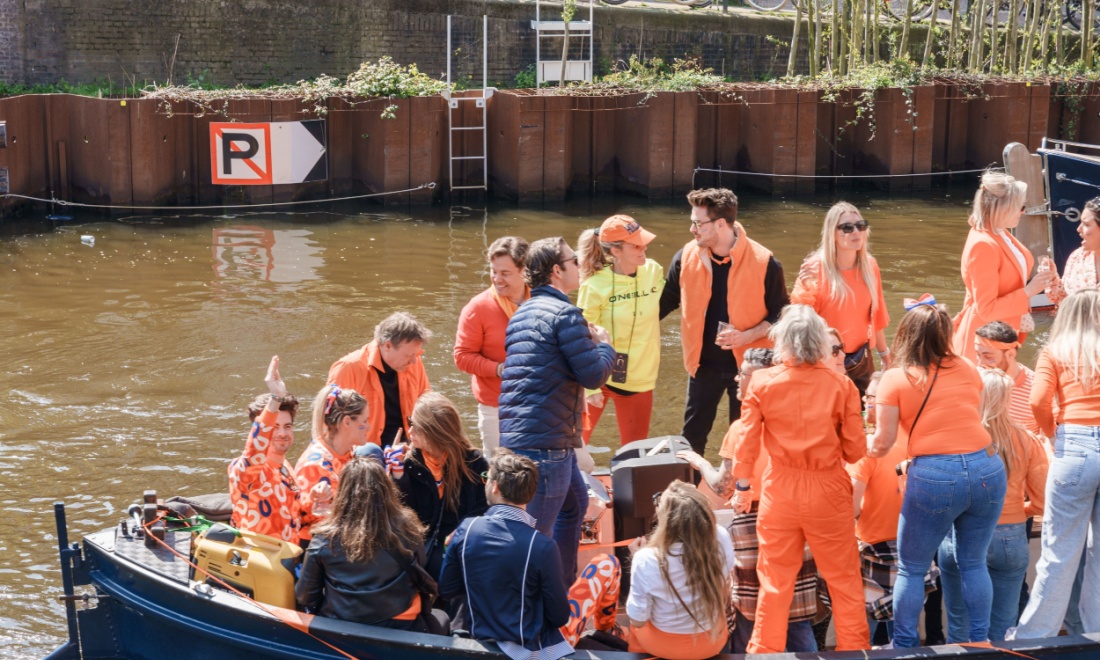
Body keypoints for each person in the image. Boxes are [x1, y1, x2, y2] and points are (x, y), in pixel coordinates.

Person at [868, 300, 1007, 648]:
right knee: (973, 563)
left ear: (905, 334)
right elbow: (972, 417)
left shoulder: (895, 378)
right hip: (987, 467)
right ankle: (980, 643)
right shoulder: (968, 368)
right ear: (946, 334)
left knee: (912, 569)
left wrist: (856, 450)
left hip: (935, 475)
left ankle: (903, 647)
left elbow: (883, 443)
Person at [732, 304, 868, 653]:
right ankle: (854, 653)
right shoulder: (842, 385)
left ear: (782, 340)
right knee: (844, 582)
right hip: (828, 489)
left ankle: (764, 655)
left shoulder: (762, 382)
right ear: (821, 341)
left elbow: (746, 443)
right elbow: (856, 451)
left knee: (775, 582)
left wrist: (743, 486)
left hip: (780, 490)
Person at [678, 348, 819, 654]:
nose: (736, 378)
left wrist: (699, 462)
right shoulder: (803, 422)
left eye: (742, 374)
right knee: (796, 613)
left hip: (754, 526)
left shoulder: (742, 429)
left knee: (748, 613)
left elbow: (723, 487)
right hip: (797, 520)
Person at [499, 236, 615, 588]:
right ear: (556, 271)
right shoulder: (566, 314)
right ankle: (538, 605)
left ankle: (562, 587)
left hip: (525, 439)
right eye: (573, 261)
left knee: (574, 506)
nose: (579, 265)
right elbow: (593, 375)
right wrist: (605, 345)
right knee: (536, 537)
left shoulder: (521, 314)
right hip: (547, 446)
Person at [439, 450, 621, 660]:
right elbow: (559, 617)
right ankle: (608, 630)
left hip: (481, 640)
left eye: (486, 478)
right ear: (530, 493)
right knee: (607, 563)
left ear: (495, 486)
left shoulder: (466, 529)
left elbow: (447, 589)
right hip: (532, 651)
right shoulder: (542, 546)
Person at [659, 188, 789, 455]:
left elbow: (780, 314)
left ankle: (739, 483)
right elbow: (664, 303)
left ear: (720, 224)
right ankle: (691, 482)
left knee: (746, 441)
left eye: (698, 223)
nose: (692, 229)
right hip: (701, 366)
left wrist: (747, 336)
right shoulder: (685, 257)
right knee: (691, 439)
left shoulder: (765, 262)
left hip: (750, 368)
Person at [1010, 290, 1100, 639]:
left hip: (1075, 447)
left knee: (1058, 551)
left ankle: (1034, 638)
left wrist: (1052, 434)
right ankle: (1096, 635)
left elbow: (1038, 401)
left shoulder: (1055, 351)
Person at [938, 368, 1048, 642]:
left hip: (961, 534)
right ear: (1008, 398)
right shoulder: (1027, 440)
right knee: (1002, 626)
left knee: (959, 626)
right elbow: (1042, 502)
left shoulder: (954, 437)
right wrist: (1018, 512)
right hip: (1009, 537)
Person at [295, 457, 447, 634]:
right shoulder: (408, 527)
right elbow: (420, 565)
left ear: (343, 492)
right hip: (400, 623)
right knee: (442, 617)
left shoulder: (324, 537)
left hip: (341, 625)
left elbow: (305, 596)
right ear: (386, 489)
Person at [848, 368, 940, 646]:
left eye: (871, 397)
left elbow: (851, 507)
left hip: (874, 551)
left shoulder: (868, 449)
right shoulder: (921, 441)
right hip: (914, 547)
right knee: (905, 632)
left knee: (860, 632)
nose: (865, 402)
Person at [576, 215, 664, 446]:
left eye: (643, 243)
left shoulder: (654, 272)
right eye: (636, 246)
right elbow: (582, 338)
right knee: (574, 446)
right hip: (599, 376)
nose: (644, 249)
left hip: (639, 378)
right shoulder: (594, 285)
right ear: (616, 251)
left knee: (634, 454)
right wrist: (589, 389)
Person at [625, 480, 734, 659]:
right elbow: (725, 587)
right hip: (712, 641)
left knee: (635, 619)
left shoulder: (645, 558)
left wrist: (637, 558)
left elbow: (638, 620)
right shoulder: (721, 536)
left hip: (663, 646)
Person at [951, 171, 1053, 362]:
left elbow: (1013, 274)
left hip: (1001, 335)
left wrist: (1040, 276)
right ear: (1003, 208)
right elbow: (986, 309)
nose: (1023, 212)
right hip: (984, 344)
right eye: (1020, 207)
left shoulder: (998, 232)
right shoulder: (983, 244)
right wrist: (1029, 291)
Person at [791, 202, 891, 395]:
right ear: (832, 234)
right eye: (847, 228)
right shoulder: (814, 268)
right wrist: (806, 287)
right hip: (826, 361)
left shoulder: (870, 266)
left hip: (861, 361)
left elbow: (876, 315)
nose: (856, 232)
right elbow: (799, 325)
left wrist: (884, 353)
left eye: (861, 226)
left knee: (865, 412)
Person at [393, 392, 489, 580]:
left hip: (461, 540)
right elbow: (404, 512)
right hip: (423, 542)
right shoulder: (410, 464)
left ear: (434, 432)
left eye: (415, 426)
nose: (409, 431)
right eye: (410, 422)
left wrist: (463, 530)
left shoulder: (474, 463)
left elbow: (484, 508)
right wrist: (398, 475)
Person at [454, 236, 530, 458]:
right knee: (499, 466)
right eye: (493, 271)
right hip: (496, 406)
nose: (497, 279)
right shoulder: (477, 308)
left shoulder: (542, 299)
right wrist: (499, 369)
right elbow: (462, 357)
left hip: (538, 401)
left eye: (505, 273)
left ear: (524, 271)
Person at [327, 312, 432, 449]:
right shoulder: (348, 368)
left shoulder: (414, 361)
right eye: (408, 355)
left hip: (407, 445)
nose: (414, 361)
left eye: (416, 354)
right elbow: (329, 424)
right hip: (365, 451)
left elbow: (426, 404)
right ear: (387, 346)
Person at [228, 356, 302, 544]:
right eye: (274, 427)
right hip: (256, 557)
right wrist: (275, 399)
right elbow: (254, 451)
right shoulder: (246, 470)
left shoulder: (286, 467)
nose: (282, 433)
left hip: (289, 556)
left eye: (287, 426)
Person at [294, 385, 369, 548]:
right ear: (347, 422)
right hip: (320, 546)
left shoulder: (346, 452)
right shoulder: (316, 466)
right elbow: (320, 522)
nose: (368, 427)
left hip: (345, 534)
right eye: (364, 421)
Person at [974, 321, 1040, 436]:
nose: (980, 364)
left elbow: (1049, 438)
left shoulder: (1037, 388)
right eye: (978, 355)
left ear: (1010, 354)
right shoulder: (974, 379)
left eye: (988, 357)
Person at [1046, 196, 1100, 304]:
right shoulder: (1077, 258)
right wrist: (1052, 278)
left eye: (1086, 224)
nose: (1078, 229)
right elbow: (1065, 302)